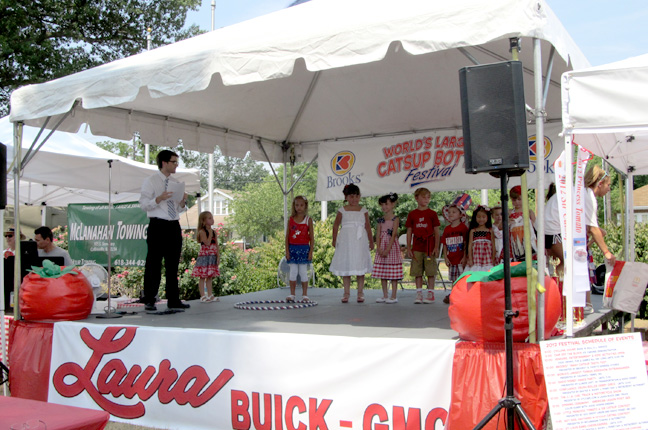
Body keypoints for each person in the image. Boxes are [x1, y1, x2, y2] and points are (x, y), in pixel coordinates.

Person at [139, 149, 189, 312]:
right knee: (154, 263)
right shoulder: (151, 181)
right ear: (164, 163)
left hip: (173, 225)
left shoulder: (175, 183)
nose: (176, 165)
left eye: (177, 162)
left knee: (173, 264)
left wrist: (182, 202)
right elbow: (143, 204)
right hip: (158, 225)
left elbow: (177, 208)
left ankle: (173, 299)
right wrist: (158, 198)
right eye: (173, 162)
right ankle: (150, 299)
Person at [329, 184, 374, 303]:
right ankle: (346, 292)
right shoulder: (342, 210)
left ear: (360, 196)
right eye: (351, 196)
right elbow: (336, 225)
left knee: (360, 265)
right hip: (346, 241)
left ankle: (360, 292)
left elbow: (368, 227)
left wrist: (371, 241)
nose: (354, 199)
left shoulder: (364, 211)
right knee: (346, 264)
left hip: (360, 241)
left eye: (356, 196)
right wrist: (334, 239)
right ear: (346, 197)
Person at [584, 165, 616, 313]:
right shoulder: (589, 196)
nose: (609, 189)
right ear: (600, 183)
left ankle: (585, 304)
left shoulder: (586, 194)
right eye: (608, 185)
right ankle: (584, 305)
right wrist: (607, 252)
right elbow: (593, 229)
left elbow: (593, 229)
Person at [406, 187, 440, 304]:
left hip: (429, 246)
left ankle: (431, 293)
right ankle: (419, 293)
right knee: (417, 270)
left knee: (430, 270)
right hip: (417, 246)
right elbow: (409, 231)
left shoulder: (432, 214)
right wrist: (409, 247)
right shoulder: (412, 214)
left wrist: (436, 246)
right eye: (423, 197)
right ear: (416, 198)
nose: (426, 199)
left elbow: (436, 231)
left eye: (428, 197)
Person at [372, 193, 402, 304]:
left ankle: (393, 296)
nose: (384, 207)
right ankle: (385, 295)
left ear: (393, 204)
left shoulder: (395, 219)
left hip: (391, 246)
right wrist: (378, 247)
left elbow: (394, 235)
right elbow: (378, 234)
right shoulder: (380, 220)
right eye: (382, 204)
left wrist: (388, 248)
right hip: (382, 246)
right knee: (383, 272)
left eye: (386, 204)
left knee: (393, 273)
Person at [285, 196, 314, 302]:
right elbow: (287, 236)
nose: (299, 207)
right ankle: (292, 294)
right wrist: (287, 250)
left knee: (302, 271)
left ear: (305, 206)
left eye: (301, 205)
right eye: (297, 205)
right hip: (293, 249)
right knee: (293, 271)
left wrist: (311, 251)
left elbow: (312, 238)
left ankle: (305, 295)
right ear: (294, 206)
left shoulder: (308, 220)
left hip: (304, 249)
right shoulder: (291, 220)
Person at [440, 203, 469, 304]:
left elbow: (466, 243)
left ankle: (463, 295)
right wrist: (445, 257)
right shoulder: (447, 229)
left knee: (462, 278)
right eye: (449, 212)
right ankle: (454, 294)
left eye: (454, 212)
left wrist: (465, 256)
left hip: (460, 258)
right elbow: (444, 244)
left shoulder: (463, 228)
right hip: (451, 258)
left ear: (461, 215)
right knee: (453, 279)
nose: (451, 214)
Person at [191, 211, 220, 303]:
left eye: (212, 218)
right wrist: (210, 233)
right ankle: (203, 295)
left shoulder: (214, 232)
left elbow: (216, 245)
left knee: (210, 276)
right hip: (204, 256)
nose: (212, 220)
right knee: (202, 276)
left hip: (212, 256)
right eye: (209, 218)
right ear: (203, 221)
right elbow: (207, 243)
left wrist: (218, 256)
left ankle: (210, 294)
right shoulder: (202, 232)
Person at [509, 185, 536, 262]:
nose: (517, 202)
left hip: (528, 240)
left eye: (519, 199)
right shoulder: (510, 212)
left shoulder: (529, 212)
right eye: (514, 200)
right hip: (514, 242)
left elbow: (535, 228)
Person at [464, 206, 496, 273]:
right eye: (478, 217)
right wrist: (470, 259)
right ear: (475, 217)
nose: (481, 219)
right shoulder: (473, 231)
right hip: (476, 259)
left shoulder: (490, 231)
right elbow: (470, 245)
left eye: (483, 217)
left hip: (487, 258)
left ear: (487, 218)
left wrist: (493, 258)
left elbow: (493, 245)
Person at [544, 183, 564, 276]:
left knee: (563, 261)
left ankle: (559, 283)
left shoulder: (552, 200)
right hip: (553, 233)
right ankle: (560, 286)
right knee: (566, 261)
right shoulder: (560, 197)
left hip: (547, 233)